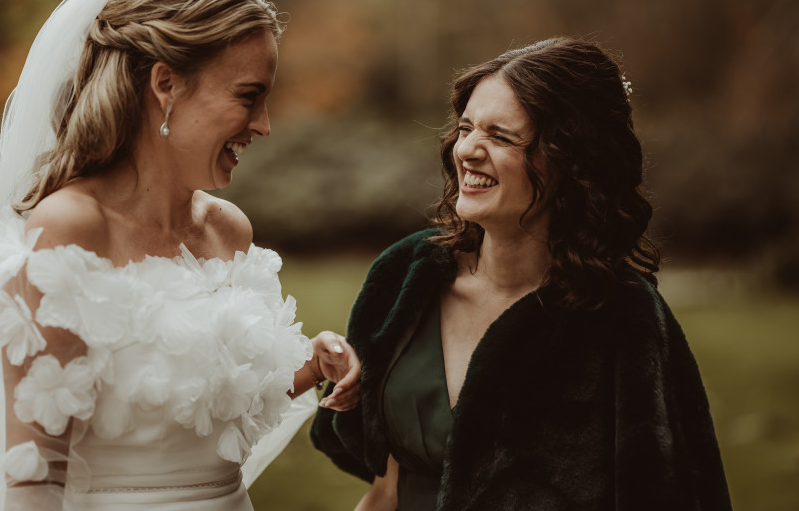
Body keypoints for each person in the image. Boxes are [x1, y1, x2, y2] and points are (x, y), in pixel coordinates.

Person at [0, 0, 360, 511]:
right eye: (249, 95)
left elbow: (216, 404)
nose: (264, 124)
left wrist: (314, 365)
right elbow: (35, 477)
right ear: (166, 84)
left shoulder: (228, 230)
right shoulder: (70, 229)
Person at [311, 37, 732, 510]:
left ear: (570, 161)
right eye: (466, 127)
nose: (467, 150)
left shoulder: (622, 317)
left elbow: (665, 490)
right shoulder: (407, 275)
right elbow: (385, 490)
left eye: (501, 136)